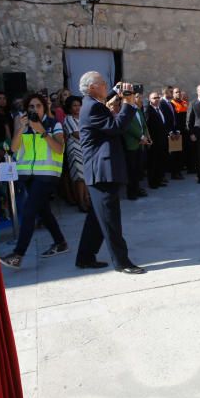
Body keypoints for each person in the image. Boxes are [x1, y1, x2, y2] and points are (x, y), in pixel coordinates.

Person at [74, 72, 145, 274]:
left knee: (97, 218)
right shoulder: (93, 107)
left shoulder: (91, 103)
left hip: (101, 170)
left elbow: (106, 105)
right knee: (110, 220)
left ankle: (85, 257)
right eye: (103, 83)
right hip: (102, 171)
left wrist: (116, 90)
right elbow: (116, 127)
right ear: (92, 88)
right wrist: (129, 104)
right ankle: (122, 262)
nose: (106, 86)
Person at [0, 93, 68, 269]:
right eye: (31, 106)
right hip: (28, 176)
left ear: (45, 107)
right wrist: (21, 128)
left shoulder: (54, 124)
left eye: (38, 106)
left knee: (29, 211)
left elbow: (59, 149)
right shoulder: (21, 124)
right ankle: (60, 242)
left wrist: (42, 131)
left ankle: (18, 254)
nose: (34, 109)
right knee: (43, 211)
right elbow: (12, 149)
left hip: (47, 176)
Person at [61, 95, 90, 212]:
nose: (77, 108)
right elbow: (77, 134)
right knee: (79, 178)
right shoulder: (68, 119)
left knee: (86, 178)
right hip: (75, 151)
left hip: (86, 150)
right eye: (74, 105)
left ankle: (87, 199)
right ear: (69, 107)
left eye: (79, 105)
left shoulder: (83, 118)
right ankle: (81, 202)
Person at [122, 92, 150, 200]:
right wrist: (141, 136)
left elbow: (143, 124)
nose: (137, 99)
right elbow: (129, 126)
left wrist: (146, 136)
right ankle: (131, 192)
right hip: (132, 143)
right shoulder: (126, 110)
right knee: (131, 169)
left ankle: (137, 189)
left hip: (140, 143)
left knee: (138, 169)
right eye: (135, 97)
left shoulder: (137, 109)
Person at [145, 92, 172, 188]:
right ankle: (152, 182)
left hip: (163, 140)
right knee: (153, 162)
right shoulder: (148, 110)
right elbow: (147, 126)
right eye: (154, 98)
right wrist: (149, 139)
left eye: (157, 97)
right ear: (150, 100)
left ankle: (159, 179)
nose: (156, 99)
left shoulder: (159, 109)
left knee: (161, 161)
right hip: (154, 141)